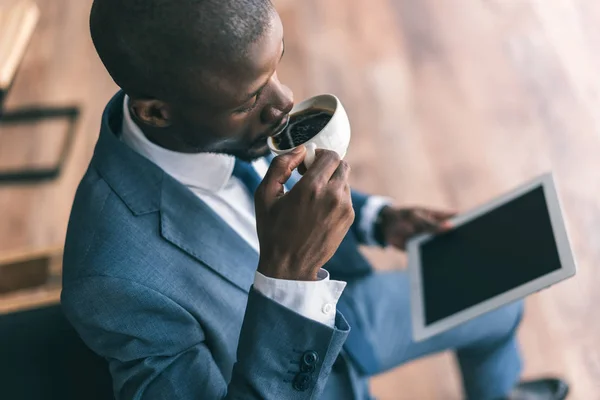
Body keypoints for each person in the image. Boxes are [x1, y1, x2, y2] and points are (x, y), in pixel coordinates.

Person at [61, 0, 568, 399]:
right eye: (249, 100)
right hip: (290, 379)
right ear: (156, 114)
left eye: (276, 69)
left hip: (349, 314)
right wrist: (288, 279)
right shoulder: (110, 281)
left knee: (499, 300)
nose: (283, 105)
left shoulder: (219, 124)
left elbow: (286, 178)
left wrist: (378, 218)